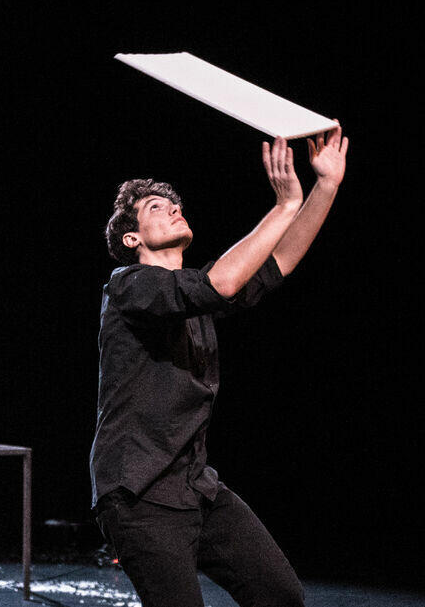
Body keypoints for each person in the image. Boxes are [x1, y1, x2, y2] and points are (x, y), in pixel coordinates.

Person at [89, 125, 348, 607]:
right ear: (131, 237)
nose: (173, 207)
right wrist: (283, 205)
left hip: (196, 488)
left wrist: (325, 187)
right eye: (155, 207)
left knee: (280, 596)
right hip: (139, 496)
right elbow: (222, 283)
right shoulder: (128, 286)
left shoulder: (196, 295)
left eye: (174, 203)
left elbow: (276, 262)